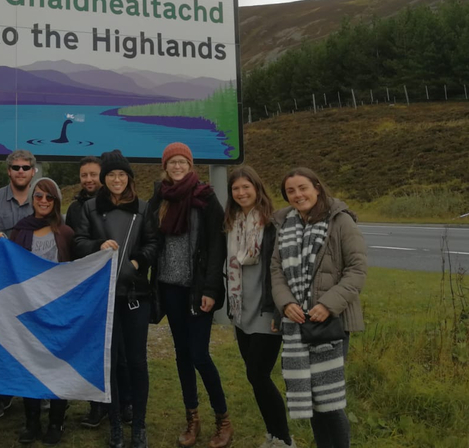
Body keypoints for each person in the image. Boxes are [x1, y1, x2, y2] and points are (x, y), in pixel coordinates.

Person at [270, 168, 366, 448]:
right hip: (297, 322)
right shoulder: (286, 224)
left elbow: (357, 270)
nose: (298, 195)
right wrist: (286, 302)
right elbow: (276, 269)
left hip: (331, 321)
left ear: (317, 187)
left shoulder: (340, 221)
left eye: (303, 188)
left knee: (329, 400)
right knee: (312, 397)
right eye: (291, 191)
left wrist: (328, 304)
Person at [149, 143, 232, 448]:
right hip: (169, 287)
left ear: (190, 164)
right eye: (172, 162)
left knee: (199, 354)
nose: (178, 166)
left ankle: (223, 419)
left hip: (198, 291)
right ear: (165, 166)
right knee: (182, 355)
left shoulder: (206, 197)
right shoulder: (160, 197)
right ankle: (192, 420)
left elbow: (216, 246)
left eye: (183, 161)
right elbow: (149, 235)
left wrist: (210, 289)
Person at [74, 150, 157, 448]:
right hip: (104, 297)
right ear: (104, 179)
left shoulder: (143, 208)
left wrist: (136, 263)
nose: (117, 179)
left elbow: (152, 243)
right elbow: (78, 241)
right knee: (109, 361)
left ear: (129, 178)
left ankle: (138, 425)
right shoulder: (90, 208)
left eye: (122, 174)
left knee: (136, 360)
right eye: (111, 175)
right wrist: (98, 244)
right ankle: (115, 427)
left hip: (135, 295)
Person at [224, 167, 292, 448]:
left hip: (266, 310)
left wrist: (280, 309)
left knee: (258, 374)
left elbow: (283, 270)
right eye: (236, 189)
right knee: (255, 377)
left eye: (246, 187)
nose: (241, 193)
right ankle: (272, 434)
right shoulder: (231, 223)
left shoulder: (273, 224)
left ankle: (284, 439)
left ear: (257, 188)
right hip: (242, 312)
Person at [66, 156, 133, 430]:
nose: (88, 180)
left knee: (123, 351)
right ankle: (97, 405)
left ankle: (125, 401)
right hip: (88, 288)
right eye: (84, 175)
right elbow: (75, 244)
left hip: (120, 287)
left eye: (93, 174)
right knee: (95, 349)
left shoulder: (119, 204)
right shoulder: (74, 208)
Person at [10, 177, 74, 446]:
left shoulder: (66, 232)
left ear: (56, 201)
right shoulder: (21, 230)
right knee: (30, 365)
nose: (44, 201)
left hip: (59, 310)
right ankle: (32, 421)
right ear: (32, 199)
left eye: (49, 197)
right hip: (28, 310)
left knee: (58, 365)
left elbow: (78, 268)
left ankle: (56, 421)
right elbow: (9, 264)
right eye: (39, 196)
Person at [0, 149, 37, 418]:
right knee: (1, 339)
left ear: (33, 171)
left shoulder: (44, 198)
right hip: (1, 283)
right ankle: (1, 395)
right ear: (8, 171)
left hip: (34, 285)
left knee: (34, 339)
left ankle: (36, 392)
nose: (20, 171)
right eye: (15, 167)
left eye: (25, 167)